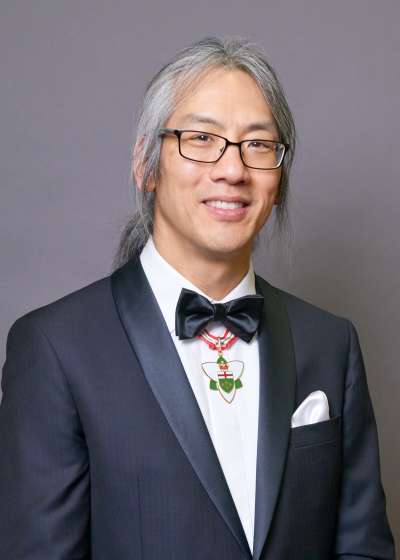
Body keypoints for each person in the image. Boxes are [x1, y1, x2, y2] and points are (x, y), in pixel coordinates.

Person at [0, 36, 395, 560]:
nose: (233, 169)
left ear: (277, 178)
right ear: (146, 164)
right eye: (201, 138)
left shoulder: (330, 343)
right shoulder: (54, 347)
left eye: (258, 145)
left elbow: (362, 548)